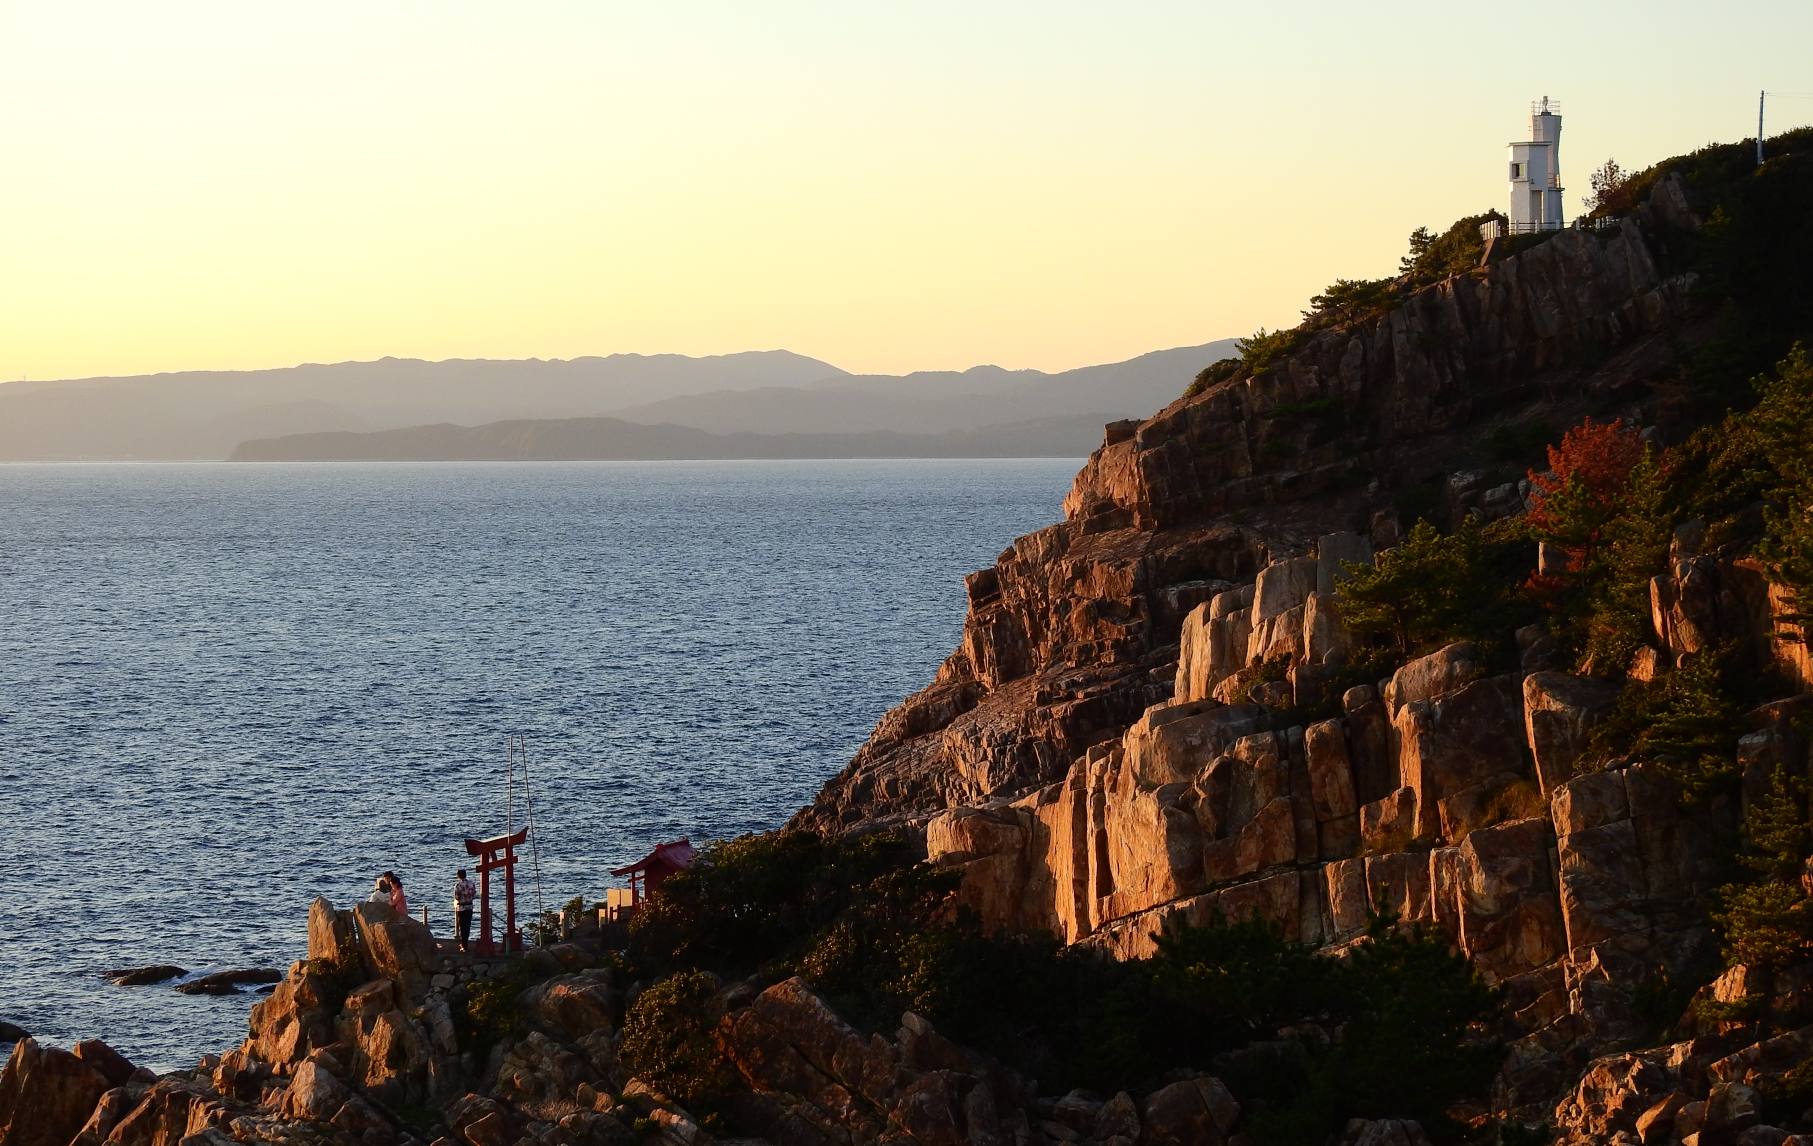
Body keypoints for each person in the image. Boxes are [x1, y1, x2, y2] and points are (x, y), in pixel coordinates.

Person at [453, 869, 477, 951]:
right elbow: (474, 895)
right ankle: (465, 942)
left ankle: (464, 945)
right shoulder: (471, 884)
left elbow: (457, 897)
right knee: (467, 926)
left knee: (462, 926)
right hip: (469, 907)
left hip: (461, 908)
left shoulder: (458, 885)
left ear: (458, 876)